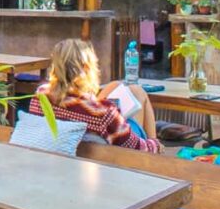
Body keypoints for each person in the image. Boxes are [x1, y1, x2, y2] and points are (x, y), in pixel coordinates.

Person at [29, 38, 162, 153]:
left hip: (69, 147)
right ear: (87, 68)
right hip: (113, 158)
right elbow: (137, 148)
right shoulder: (102, 112)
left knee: (117, 85)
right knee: (139, 93)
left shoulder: (40, 95)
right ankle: (156, 145)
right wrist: (155, 145)